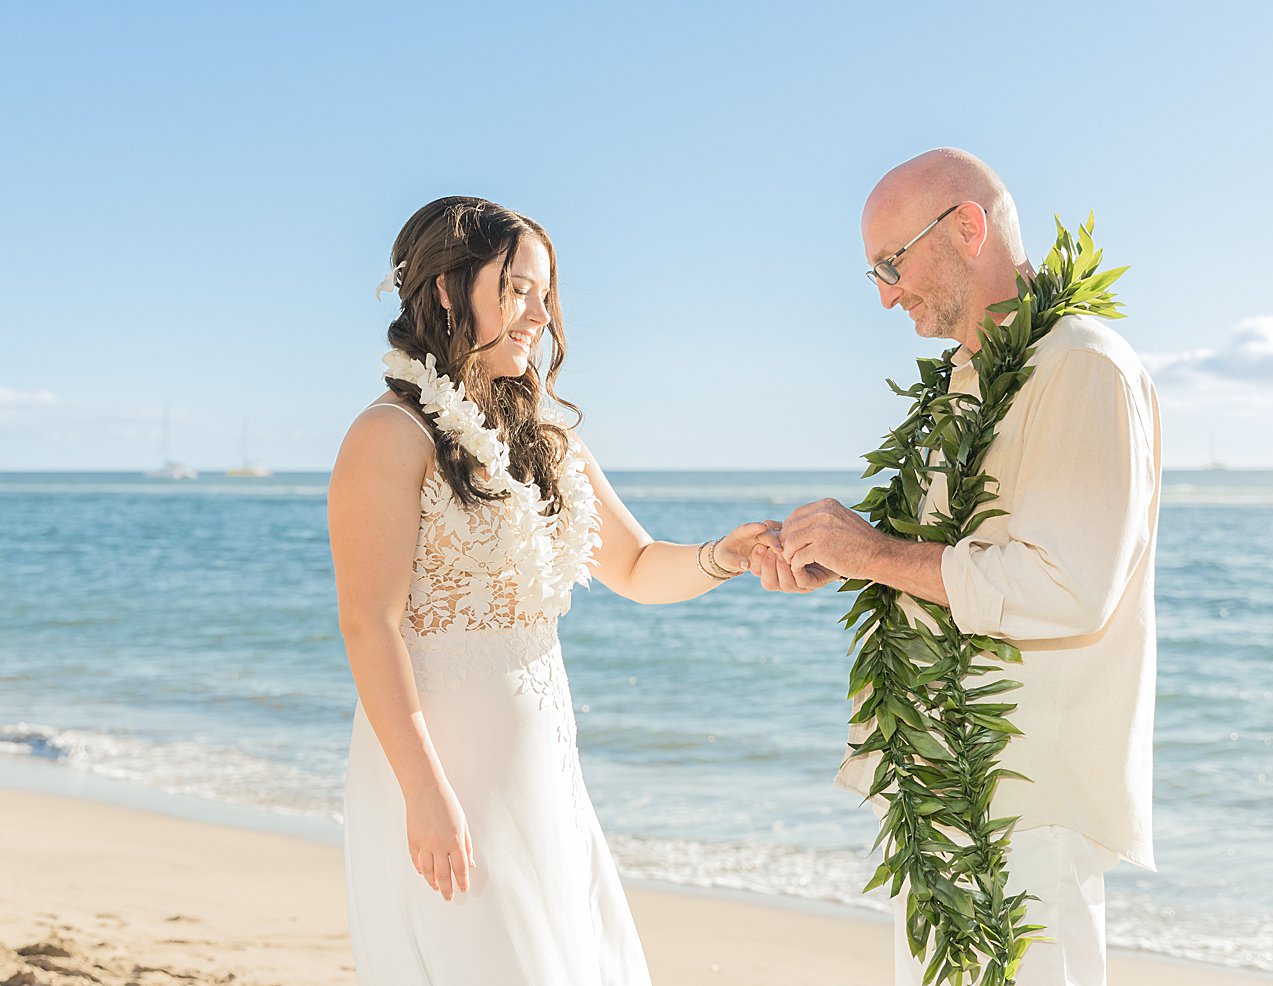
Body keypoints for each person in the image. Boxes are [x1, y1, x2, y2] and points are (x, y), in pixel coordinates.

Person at [329, 196, 771, 985]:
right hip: (439, 770)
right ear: (445, 289)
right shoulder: (388, 436)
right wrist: (425, 793)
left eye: (546, 291)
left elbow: (636, 567)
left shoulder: (550, 441)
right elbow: (370, 625)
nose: (542, 312)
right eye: (519, 288)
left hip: (543, 768)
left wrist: (726, 555)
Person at [750, 148, 1161, 986]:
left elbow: (1069, 587)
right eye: (873, 272)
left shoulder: (1080, 363)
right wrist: (854, 560)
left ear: (968, 227)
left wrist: (877, 552)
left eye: (892, 264)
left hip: (1022, 807)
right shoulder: (962, 387)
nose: (885, 294)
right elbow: (956, 563)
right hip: (938, 803)